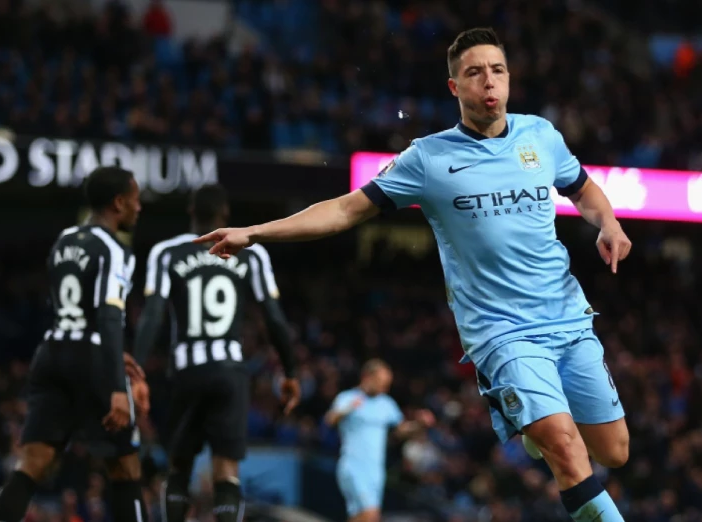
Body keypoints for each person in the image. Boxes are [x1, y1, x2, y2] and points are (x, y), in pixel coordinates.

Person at [194, 27, 632, 521]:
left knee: (614, 451)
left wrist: (608, 222)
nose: (489, 81)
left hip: (568, 316)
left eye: (498, 70)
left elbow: (584, 190)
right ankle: (543, 430)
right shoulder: (428, 158)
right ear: (455, 87)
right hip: (502, 333)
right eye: (474, 72)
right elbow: (344, 210)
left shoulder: (540, 136)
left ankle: (538, 429)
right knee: (567, 449)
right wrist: (257, 231)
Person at [133, 183, 301, 522]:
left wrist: (135, 368)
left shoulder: (167, 252)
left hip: (186, 372)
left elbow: (152, 316)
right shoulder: (251, 253)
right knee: (226, 470)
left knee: (179, 466)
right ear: (225, 215)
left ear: (191, 212)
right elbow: (275, 320)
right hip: (230, 372)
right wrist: (290, 371)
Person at [0, 166, 150, 522]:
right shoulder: (115, 250)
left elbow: (71, 311)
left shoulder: (64, 241)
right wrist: (115, 386)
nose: (139, 209)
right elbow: (110, 317)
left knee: (30, 465)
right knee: (125, 469)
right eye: (136, 201)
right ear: (118, 202)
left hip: (52, 353)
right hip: (92, 360)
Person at [326, 359, 435, 522]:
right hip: (354, 467)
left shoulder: (386, 404)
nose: (384, 388)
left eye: (387, 384)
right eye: (381, 383)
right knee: (371, 515)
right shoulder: (348, 397)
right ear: (366, 377)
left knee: (363, 517)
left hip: (375, 472)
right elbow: (330, 419)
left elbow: (400, 431)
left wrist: (419, 424)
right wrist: (349, 408)